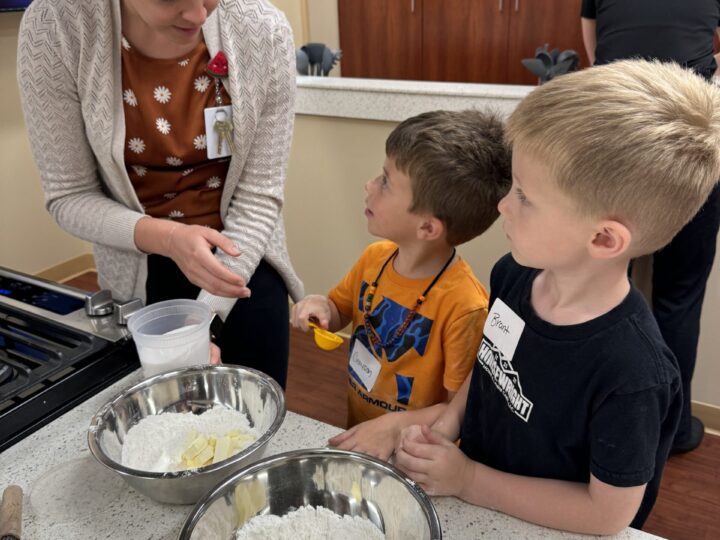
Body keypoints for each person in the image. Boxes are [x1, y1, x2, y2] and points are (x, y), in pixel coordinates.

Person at [392, 60, 720, 534]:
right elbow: (490, 365)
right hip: (481, 510)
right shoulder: (512, 275)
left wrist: (468, 480)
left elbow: (606, 515)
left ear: (605, 240)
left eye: (524, 196)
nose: (503, 204)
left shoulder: (633, 374)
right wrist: (447, 424)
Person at [17, 0, 303, 387]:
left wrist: (206, 319)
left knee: (255, 418)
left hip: (243, 259)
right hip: (139, 270)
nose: (199, 15)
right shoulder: (57, 25)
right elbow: (69, 195)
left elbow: (259, 195)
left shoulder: (263, 29)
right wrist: (168, 238)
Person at [290, 110, 511, 457]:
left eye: (385, 181)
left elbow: (460, 410)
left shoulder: (465, 306)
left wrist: (393, 428)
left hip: (412, 451)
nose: (369, 185)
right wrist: (320, 307)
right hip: (360, 433)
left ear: (427, 228)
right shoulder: (374, 259)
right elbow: (338, 310)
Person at [581, 0, 720, 453]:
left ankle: (589, 414)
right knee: (679, 295)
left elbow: (592, 37)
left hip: (615, 125)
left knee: (595, 281)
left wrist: (622, 81)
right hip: (692, 133)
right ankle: (673, 428)